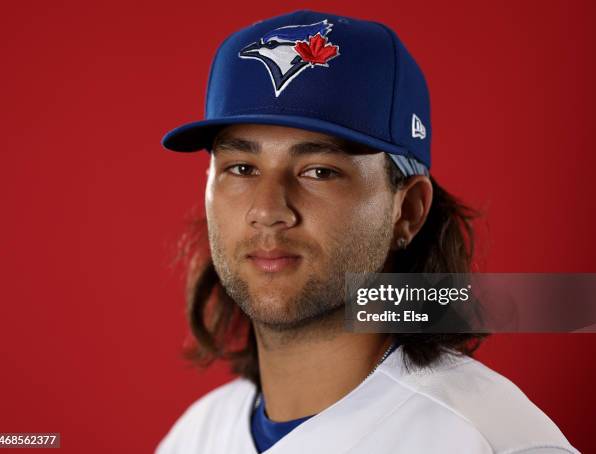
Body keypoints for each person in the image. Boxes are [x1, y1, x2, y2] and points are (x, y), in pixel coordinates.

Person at [156, 10, 579, 454]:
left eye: (319, 171)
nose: (268, 210)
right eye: (242, 168)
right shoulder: (194, 436)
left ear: (408, 210)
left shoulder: (488, 441)